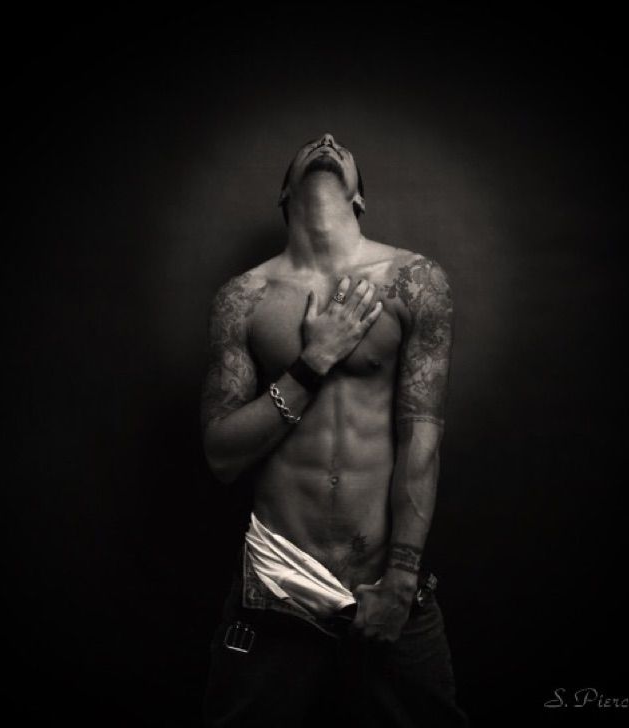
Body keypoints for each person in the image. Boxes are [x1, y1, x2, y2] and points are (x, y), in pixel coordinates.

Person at [200, 133, 469, 727]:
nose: (326, 141)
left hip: (387, 588)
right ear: (284, 192)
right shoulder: (243, 299)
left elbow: (422, 439)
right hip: (276, 585)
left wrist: (401, 579)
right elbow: (221, 455)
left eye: (339, 146)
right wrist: (313, 361)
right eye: (310, 145)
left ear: (360, 198)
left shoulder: (414, 281)